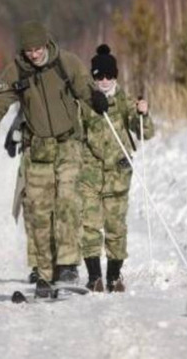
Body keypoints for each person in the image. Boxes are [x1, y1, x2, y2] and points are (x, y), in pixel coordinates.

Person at [0, 20, 107, 298]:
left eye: (37, 49)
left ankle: (68, 265)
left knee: (68, 201)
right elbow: (1, 98)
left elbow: (85, 86)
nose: (34, 55)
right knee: (38, 212)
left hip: (68, 143)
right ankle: (45, 276)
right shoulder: (17, 70)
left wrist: (95, 98)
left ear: (45, 44)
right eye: (28, 50)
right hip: (37, 148)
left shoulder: (66, 62)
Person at [79, 45, 154, 292]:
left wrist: (143, 114)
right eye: (99, 76)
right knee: (89, 226)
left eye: (108, 76)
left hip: (118, 174)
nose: (104, 81)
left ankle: (113, 276)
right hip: (90, 173)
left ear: (115, 76)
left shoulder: (124, 99)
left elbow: (146, 132)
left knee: (116, 227)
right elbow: (75, 133)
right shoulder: (85, 101)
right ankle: (94, 278)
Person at [5, 108, 41, 284]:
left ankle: (59, 264)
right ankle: (37, 266)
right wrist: (12, 134)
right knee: (31, 212)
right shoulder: (28, 90)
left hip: (58, 157)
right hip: (29, 158)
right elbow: (22, 112)